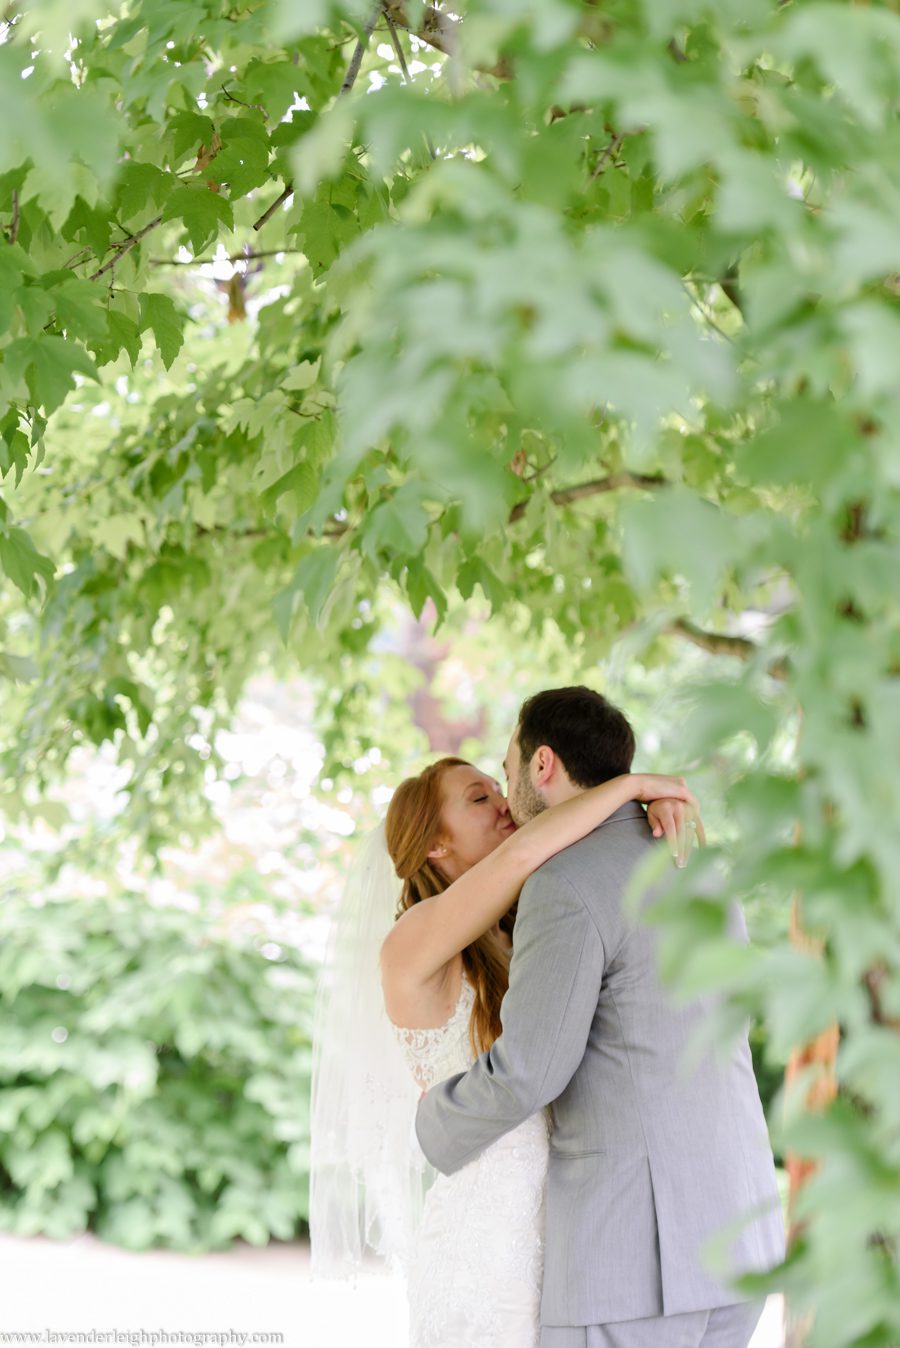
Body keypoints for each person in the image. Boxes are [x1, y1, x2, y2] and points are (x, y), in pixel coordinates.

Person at [415, 687, 786, 1348]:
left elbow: (531, 1070)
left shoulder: (565, 881)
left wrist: (429, 1125)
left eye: (505, 768)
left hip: (637, 1263)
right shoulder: (696, 863)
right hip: (742, 1233)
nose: (504, 789)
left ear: (544, 765)